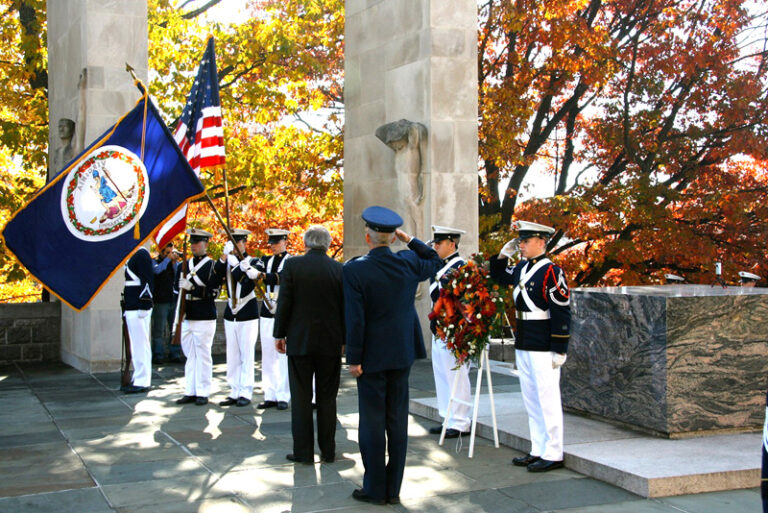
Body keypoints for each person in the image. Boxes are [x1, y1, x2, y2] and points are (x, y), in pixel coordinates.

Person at [344, 206, 442, 505]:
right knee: (397, 421)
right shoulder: (408, 262)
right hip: (401, 353)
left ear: (368, 236)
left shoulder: (353, 269)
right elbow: (435, 259)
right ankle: (393, 489)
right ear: (391, 237)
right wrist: (409, 239)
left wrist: (354, 358)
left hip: (372, 357)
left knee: (372, 423)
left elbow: (355, 318)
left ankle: (375, 488)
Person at [489, 221, 570, 472]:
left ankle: (554, 451)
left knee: (547, 398)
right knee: (531, 398)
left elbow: (560, 312)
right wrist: (503, 256)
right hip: (524, 339)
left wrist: (560, 348)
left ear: (542, 243)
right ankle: (538, 448)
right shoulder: (522, 267)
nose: (521, 245)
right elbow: (499, 278)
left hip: (544, 342)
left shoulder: (552, 272)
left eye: (525, 241)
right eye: (520, 241)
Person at [273, 225, 344, 464]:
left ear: (305, 243)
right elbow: (345, 309)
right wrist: (344, 340)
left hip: (300, 340)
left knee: (301, 398)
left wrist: (279, 334)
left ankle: (303, 451)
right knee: (327, 398)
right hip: (330, 343)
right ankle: (328, 450)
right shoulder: (338, 269)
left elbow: (285, 302)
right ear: (328, 244)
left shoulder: (293, 265)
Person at [427, 225, 471, 439]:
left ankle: (461, 421)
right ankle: (448, 417)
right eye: (434, 243)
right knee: (442, 376)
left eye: (439, 243)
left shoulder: (460, 268)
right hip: (439, 329)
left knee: (456, 377)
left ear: (451, 244)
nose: (435, 246)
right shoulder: (440, 266)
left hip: (454, 330)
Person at [175, 228, 223, 406]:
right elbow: (177, 289)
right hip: (187, 314)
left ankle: (203, 391)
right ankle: (190, 390)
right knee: (190, 356)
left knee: (202, 355)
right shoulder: (184, 264)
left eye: (197, 243)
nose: (194, 246)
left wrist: (192, 287)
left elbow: (213, 291)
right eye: (192, 243)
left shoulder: (212, 266)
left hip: (204, 314)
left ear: (205, 244)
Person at [216, 229, 260, 407]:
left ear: (244, 243)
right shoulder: (229, 261)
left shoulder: (254, 262)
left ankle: (246, 391)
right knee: (232, 354)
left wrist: (235, 264)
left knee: (246, 354)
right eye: (232, 243)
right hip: (231, 312)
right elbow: (215, 276)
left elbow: (247, 283)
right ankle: (234, 390)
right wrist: (223, 257)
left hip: (247, 311)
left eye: (238, 243)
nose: (235, 247)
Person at [254, 228, 292, 410]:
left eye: (276, 242)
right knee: (268, 355)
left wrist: (262, 276)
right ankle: (270, 394)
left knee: (283, 355)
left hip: (283, 312)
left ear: (285, 241)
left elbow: (283, 278)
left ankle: (284, 394)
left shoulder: (291, 261)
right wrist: (248, 268)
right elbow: (255, 272)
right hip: (267, 312)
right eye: (271, 243)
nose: (273, 246)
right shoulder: (265, 260)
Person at [121, 245, 154, 394]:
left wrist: (145, 303)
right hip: (131, 304)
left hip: (138, 305)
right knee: (135, 345)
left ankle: (143, 380)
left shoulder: (142, 254)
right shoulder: (134, 254)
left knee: (141, 345)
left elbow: (147, 280)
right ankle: (139, 376)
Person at [151, 242, 183, 364]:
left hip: (173, 300)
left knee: (174, 328)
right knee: (158, 330)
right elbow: (157, 271)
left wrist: (173, 262)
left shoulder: (173, 264)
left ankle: (174, 353)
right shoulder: (155, 261)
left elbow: (177, 274)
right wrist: (167, 260)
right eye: (167, 253)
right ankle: (158, 354)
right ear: (161, 252)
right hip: (160, 301)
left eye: (171, 252)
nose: (169, 255)